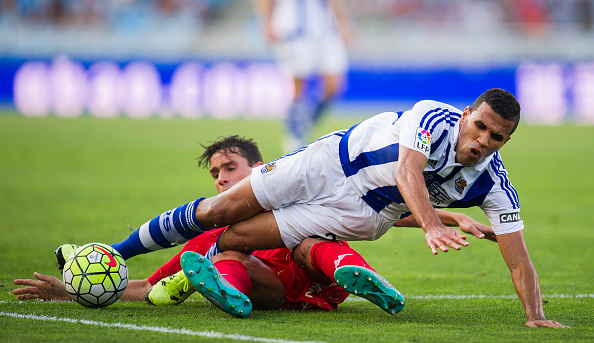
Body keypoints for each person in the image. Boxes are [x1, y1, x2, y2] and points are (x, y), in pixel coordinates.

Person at [79, 88, 568, 327]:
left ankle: (217, 278)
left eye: (496, 137)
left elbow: (519, 257)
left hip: (363, 214)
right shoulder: (432, 118)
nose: (482, 140)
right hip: (329, 165)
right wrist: (431, 225)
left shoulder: (494, 185)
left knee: (233, 240)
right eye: (480, 126)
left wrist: (534, 314)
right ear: (467, 115)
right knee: (218, 212)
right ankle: (117, 253)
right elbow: (407, 173)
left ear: (507, 141)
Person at [23, 136, 492, 318]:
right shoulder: (212, 232)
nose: (223, 180)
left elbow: (386, 208)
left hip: (318, 272)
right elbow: (150, 286)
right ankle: (231, 291)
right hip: (281, 286)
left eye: (230, 169)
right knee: (223, 252)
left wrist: (448, 216)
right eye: (215, 176)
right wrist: (72, 292)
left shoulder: (299, 189)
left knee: (307, 240)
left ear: (261, 170)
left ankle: (356, 276)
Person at [253, 0, 352, 152]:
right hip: (293, 29)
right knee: (298, 86)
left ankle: (304, 123)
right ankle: (294, 135)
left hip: (324, 29)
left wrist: (342, 21)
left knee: (334, 86)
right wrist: (267, 21)